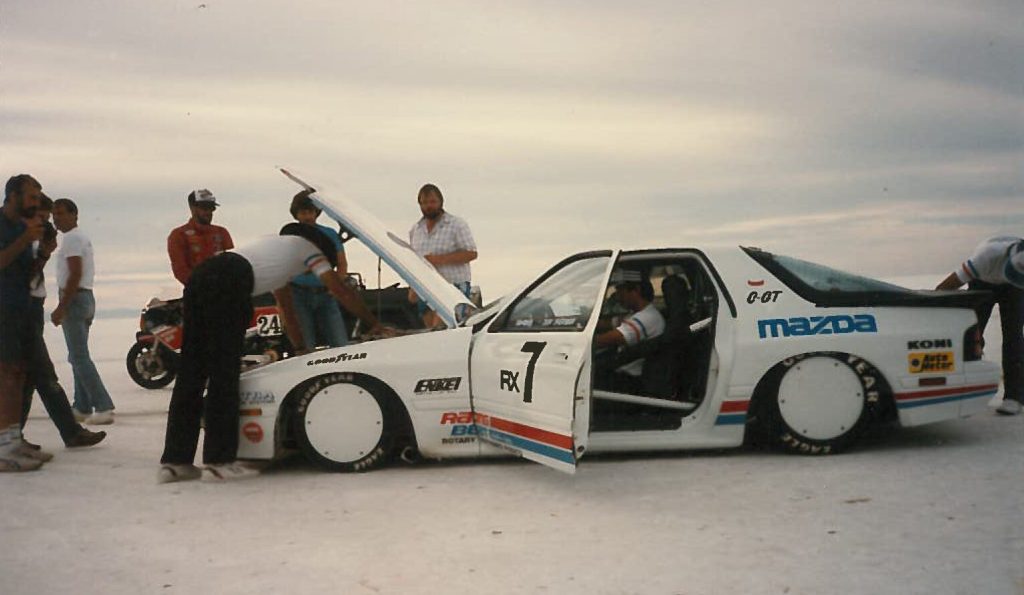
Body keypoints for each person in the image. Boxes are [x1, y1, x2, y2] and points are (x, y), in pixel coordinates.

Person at [159, 223, 389, 484]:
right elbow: (339, 290)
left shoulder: (277, 251)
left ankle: (175, 463)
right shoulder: (309, 249)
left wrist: (301, 347)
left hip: (202, 275)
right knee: (224, 374)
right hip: (233, 279)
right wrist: (374, 324)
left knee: (192, 373)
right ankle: (219, 462)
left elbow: (286, 307)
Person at [21, 195, 106, 450]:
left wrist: (45, 253)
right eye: (47, 217)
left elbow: (67, 273)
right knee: (43, 374)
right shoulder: (19, 241)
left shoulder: (67, 239)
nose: (51, 222)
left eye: (54, 216)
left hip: (53, 303)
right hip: (26, 310)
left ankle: (91, 411)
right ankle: (80, 416)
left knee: (44, 373)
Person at [937, 237, 1024, 415]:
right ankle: (966, 392)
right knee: (971, 335)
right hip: (982, 282)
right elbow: (946, 287)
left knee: (1014, 337)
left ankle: (1014, 397)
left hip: (1015, 289)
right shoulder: (986, 256)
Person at [51, 198, 116, 425]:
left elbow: (75, 273)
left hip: (75, 298)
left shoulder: (71, 238)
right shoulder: (79, 238)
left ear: (74, 215)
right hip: (85, 297)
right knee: (77, 355)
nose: (56, 218)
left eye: (60, 213)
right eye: (54, 214)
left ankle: (103, 405)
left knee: (79, 357)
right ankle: (81, 406)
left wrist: (62, 306)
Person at [0, 174, 48, 471]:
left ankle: (13, 438)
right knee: (4, 373)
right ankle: (3, 447)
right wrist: (25, 240)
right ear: (13, 195)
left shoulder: (22, 227)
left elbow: (26, 272)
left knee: (17, 372)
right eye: (31, 197)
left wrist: (42, 253)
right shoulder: (9, 227)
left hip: (21, 307)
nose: (35, 203)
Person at [285, 189, 349, 351]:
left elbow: (342, 264)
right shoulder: (290, 235)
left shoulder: (330, 234)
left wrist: (336, 286)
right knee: (305, 347)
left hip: (325, 294)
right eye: (303, 212)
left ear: (316, 212)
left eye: (310, 212)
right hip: (298, 294)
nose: (307, 216)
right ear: (296, 214)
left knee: (341, 345)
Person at [408, 183, 477, 327]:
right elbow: (414, 261)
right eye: (424, 203)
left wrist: (438, 260)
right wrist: (412, 287)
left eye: (432, 202)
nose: (429, 206)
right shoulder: (416, 230)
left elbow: (471, 253)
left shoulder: (456, 224)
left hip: (452, 286)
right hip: (426, 288)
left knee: (443, 328)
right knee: (431, 332)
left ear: (440, 202)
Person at [594, 268, 666, 393]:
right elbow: (608, 324)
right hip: (622, 375)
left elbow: (609, 339)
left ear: (635, 290)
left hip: (629, 382)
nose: (618, 297)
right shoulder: (638, 314)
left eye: (621, 292)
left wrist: (581, 341)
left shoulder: (647, 318)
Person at [168, 188, 233, 286]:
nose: (209, 212)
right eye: (204, 208)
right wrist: (201, 285)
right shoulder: (178, 235)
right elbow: (180, 270)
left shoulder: (221, 232)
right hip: (197, 292)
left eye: (211, 208)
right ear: (192, 208)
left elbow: (232, 263)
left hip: (225, 289)